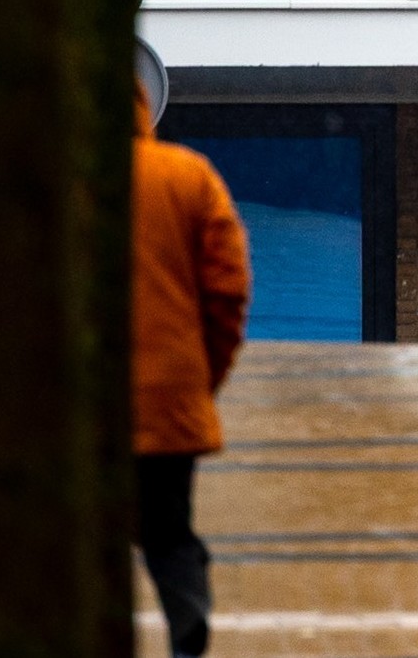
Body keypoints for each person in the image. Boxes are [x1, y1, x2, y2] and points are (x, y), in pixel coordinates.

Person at [131, 42, 252, 658]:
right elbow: (228, 292)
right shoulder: (187, 177)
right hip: (165, 400)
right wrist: (202, 375)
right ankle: (187, 632)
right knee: (167, 528)